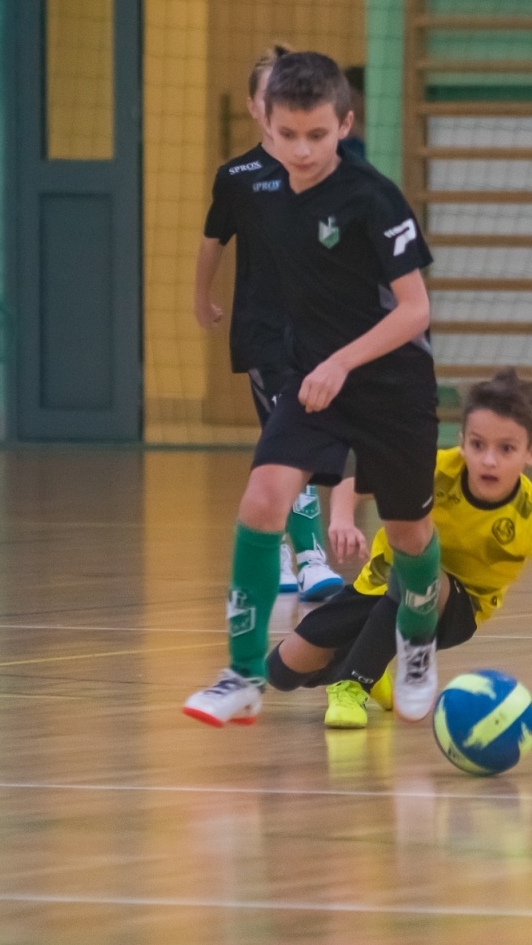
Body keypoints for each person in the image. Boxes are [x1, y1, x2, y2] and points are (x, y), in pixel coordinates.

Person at [183, 51, 445, 727]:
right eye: (287, 135)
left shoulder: (371, 195)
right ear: (263, 123)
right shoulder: (257, 190)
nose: (302, 150)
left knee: (409, 537)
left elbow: (416, 311)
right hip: (313, 381)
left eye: (319, 136)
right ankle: (242, 675)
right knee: (263, 497)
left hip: (391, 386)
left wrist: (341, 363)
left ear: (345, 125)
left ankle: (416, 637)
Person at [265, 369, 532, 730]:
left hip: (455, 608)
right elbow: (355, 480)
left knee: (417, 570)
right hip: (375, 588)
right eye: (478, 445)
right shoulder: (436, 468)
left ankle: (353, 683)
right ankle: (372, 666)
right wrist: (340, 518)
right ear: (462, 442)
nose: (489, 461)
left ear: (531, 454)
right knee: (281, 673)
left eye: (506, 449)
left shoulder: (531, 519)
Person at [194, 44, 340, 602]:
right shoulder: (238, 177)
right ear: (259, 109)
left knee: (291, 437)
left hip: (317, 328)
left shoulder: (324, 173)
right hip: (262, 328)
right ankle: (309, 556)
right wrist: (201, 295)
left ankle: (282, 545)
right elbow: (213, 241)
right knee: (291, 432)